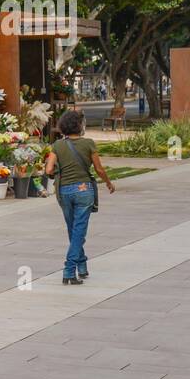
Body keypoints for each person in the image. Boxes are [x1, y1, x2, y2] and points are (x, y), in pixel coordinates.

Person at [44, 109, 115, 284]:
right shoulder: (89, 143)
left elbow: (48, 170)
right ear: (80, 126)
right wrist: (108, 183)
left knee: (73, 230)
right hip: (84, 191)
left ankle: (82, 266)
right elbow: (98, 169)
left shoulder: (58, 145)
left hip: (64, 191)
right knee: (79, 231)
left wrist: (59, 170)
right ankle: (69, 270)